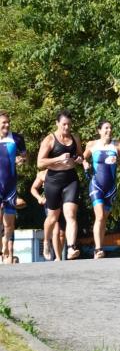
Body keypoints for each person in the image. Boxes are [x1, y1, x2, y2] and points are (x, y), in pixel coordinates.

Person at [36, 110, 84, 260]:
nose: (66, 127)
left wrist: (79, 159)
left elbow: (80, 155)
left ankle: (71, 248)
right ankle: (46, 241)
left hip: (71, 179)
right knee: (52, 217)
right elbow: (40, 163)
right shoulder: (49, 140)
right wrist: (58, 159)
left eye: (69, 124)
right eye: (64, 124)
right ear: (57, 123)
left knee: (71, 214)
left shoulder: (75, 138)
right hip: (53, 180)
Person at [83, 120, 120, 259]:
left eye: (110, 128)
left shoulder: (117, 145)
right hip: (96, 185)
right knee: (100, 216)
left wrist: (118, 162)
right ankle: (98, 249)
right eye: (106, 128)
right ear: (99, 131)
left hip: (111, 188)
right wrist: (85, 164)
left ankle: (99, 248)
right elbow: (82, 158)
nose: (109, 130)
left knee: (104, 219)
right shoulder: (92, 144)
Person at [0, 111, 27, 264]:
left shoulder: (17, 138)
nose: (7, 125)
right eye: (3, 122)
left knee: (9, 223)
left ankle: (5, 243)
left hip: (10, 186)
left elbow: (25, 157)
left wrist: (21, 160)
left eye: (8, 122)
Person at [30, 169, 66, 260]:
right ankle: (58, 257)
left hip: (64, 203)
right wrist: (39, 198)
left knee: (62, 233)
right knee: (56, 230)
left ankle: (58, 255)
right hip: (51, 203)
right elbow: (33, 188)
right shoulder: (43, 174)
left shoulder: (64, 170)